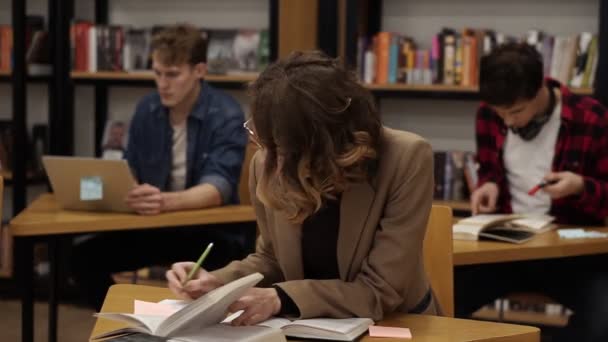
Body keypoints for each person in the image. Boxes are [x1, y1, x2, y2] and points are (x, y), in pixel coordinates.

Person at [166, 50, 440, 325]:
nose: (271, 160)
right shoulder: (267, 160)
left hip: (396, 323)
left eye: (285, 148)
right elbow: (271, 259)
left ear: (325, 143)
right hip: (308, 325)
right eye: (267, 143)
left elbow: (380, 291)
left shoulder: (407, 157)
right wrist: (216, 282)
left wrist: (279, 298)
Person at [71, 24, 249, 309]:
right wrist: (118, 190)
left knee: (218, 272)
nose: (162, 83)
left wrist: (164, 201)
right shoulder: (147, 109)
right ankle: (126, 324)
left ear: (199, 71)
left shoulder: (226, 112)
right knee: (81, 257)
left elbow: (218, 188)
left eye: (173, 74)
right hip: (156, 226)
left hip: (210, 232)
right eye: (157, 73)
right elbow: (129, 171)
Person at [459, 42, 608, 341]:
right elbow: (489, 170)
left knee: (602, 323)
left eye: (516, 111)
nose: (508, 122)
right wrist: (488, 184)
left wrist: (579, 187)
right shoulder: (489, 115)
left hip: (572, 258)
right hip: (503, 251)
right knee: (435, 296)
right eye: (500, 113)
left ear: (540, 87)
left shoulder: (590, 117)